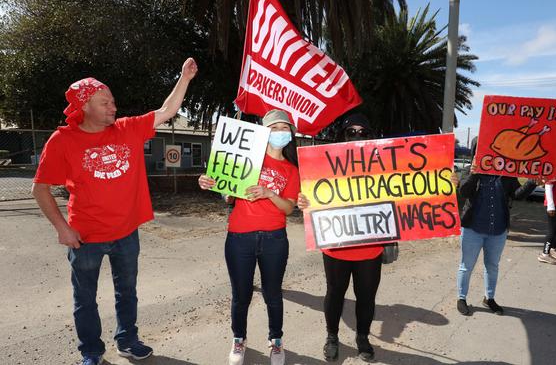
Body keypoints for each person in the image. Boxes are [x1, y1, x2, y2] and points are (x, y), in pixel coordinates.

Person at [32, 58, 198, 365]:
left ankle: (128, 341)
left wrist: (184, 78)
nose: (113, 107)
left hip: (126, 232)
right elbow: (40, 188)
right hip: (86, 236)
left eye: (113, 102)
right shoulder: (63, 140)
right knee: (84, 300)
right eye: (105, 102)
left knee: (127, 292)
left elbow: (167, 111)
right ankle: (92, 352)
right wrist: (62, 228)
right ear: (85, 107)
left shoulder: (127, 129)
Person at [198, 109, 299, 365]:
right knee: (241, 294)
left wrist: (268, 192)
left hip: (275, 239)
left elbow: (288, 208)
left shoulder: (291, 170)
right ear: (264, 133)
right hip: (239, 238)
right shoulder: (244, 159)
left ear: (291, 134)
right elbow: (228, 194)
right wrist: (212, 182)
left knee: (273, 294)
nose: (279, 133)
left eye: (284, 128)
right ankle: (238, 339)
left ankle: (276, 341)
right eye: (274, 128)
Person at [297, 113, 383, 362]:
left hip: (370, 247)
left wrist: (444, 181)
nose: (357, 136)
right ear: (341, 136)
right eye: (350, 132)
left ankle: (362, 338)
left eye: (363, 132)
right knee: (335, 293)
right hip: (336, 245)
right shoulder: (325, 163)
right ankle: (332, 336)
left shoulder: (383, 164)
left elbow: (409, 189)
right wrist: (304, 201)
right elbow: (313, 194)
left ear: (371, 136)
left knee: (366, 297)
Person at [456, 138, 539, 316]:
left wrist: (533, 182)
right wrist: (475, 172)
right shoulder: (470, 172)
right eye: (483, 150)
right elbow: (464, 192)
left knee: (492, 265)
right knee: (466, 265)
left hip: (498, 230)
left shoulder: (507, 174)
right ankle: (461, 298)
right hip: (473, 228)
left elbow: (517, 195)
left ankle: (489, 298)